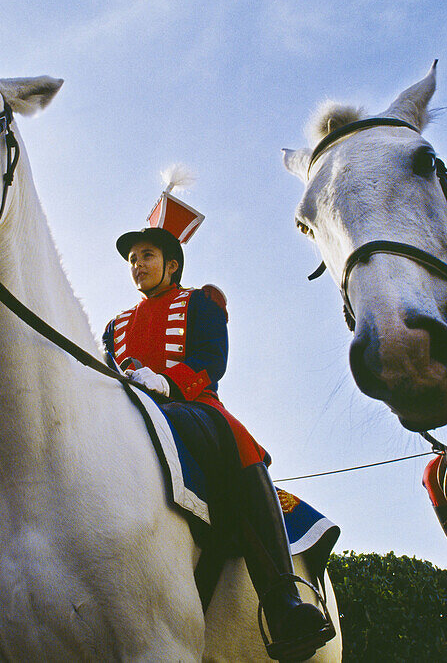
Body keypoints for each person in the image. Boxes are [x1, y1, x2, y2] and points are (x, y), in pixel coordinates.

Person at [103, 187, 335, 662]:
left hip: (192, 404)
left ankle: (282, 598)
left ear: (171, 263)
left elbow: (212, 360)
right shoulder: (115, 324)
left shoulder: (202, 303)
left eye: (146, 254)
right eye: (131, 257)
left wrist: (168, 383)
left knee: (238, 442)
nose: (136, 264)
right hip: (123, 412)